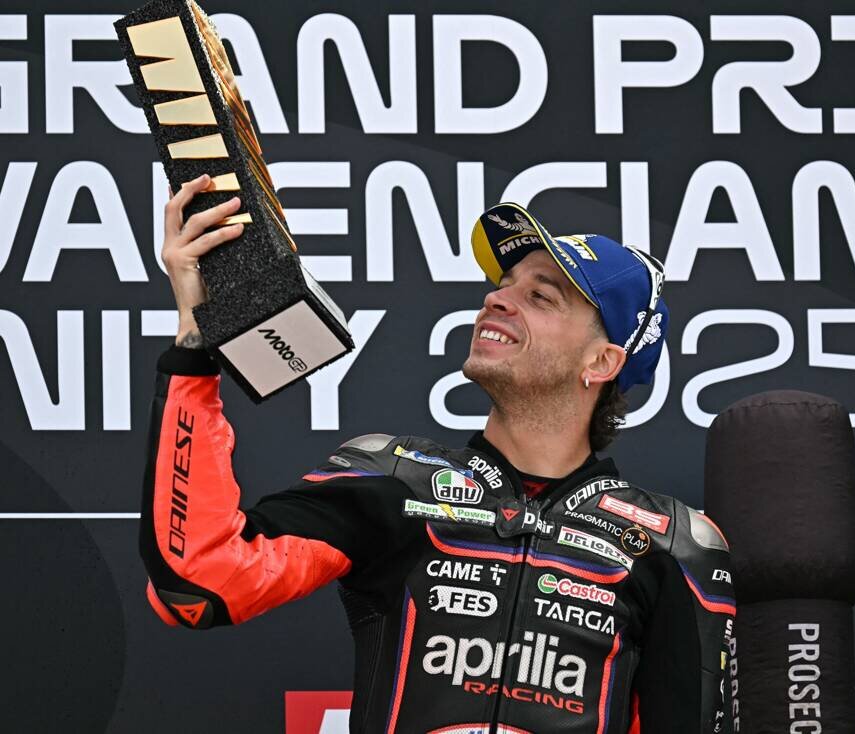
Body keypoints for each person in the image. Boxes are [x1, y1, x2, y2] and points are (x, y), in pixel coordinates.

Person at [143, 175, 736, 733]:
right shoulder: (393, 479)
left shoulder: (672, 545)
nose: (497, 299)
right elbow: (199, 580)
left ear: (602, 362)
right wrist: (196, 339)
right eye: (504, 285)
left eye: (540, 296)